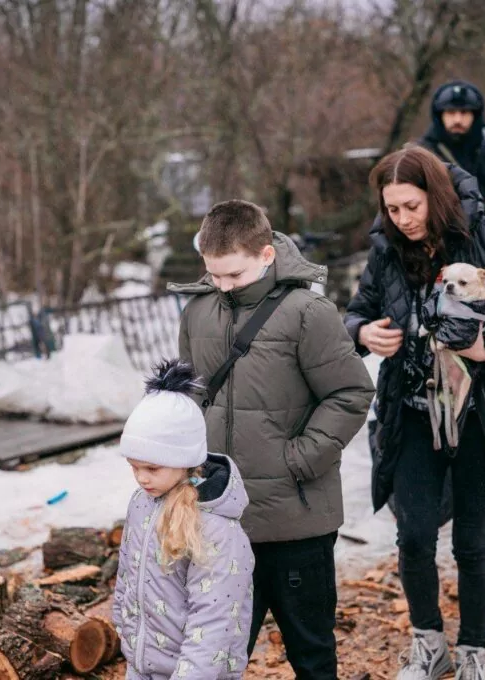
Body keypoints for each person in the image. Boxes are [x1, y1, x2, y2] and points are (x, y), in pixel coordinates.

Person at [345, 146, 485, 680]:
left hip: (479, 414)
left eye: (411, 206)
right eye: (392, 209)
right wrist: (363, 333)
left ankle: (472, 653)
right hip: (414, 412)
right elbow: (356, 311)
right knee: (414, 534)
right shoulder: (387, 249)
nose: (402, 219)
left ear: (435, 196)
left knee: (470, 539)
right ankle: (428, 644)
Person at [170, 201, 375, 680]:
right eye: (212, 274)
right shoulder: (197, 311)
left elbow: (350, 392)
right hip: (220, 521)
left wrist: (298, 459)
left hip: (295, 521)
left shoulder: (308, 312)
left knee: (312, 656)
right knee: (217, 655)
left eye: (233, 275)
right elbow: (191, 396)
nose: (221, 286)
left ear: (265, 255)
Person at [113, 359, 255, 680]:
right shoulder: (141, 503)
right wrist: (123, 625)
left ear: (184, 460)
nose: (141, 478)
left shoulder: (215, 526)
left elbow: (214, 618)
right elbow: (127, 571)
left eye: (152, 468)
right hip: (141, 664)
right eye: (134, 467)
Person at [420, 80, 485, 204]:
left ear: (475, 115)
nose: (457, 119)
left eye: (464, 112)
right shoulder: (423, 153)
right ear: (440, 116)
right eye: (450, 112)